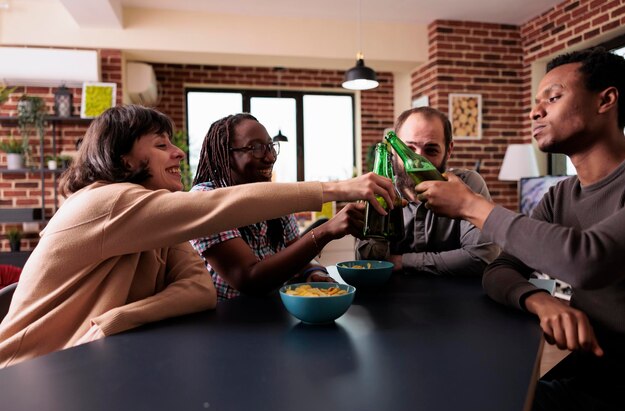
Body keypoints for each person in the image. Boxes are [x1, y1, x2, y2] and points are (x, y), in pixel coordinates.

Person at [0, 105, 397, 368]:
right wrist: (335, 189)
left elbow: (197, 290)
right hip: (29, 372)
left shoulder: (156, 219)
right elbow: (215, 209)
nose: (177, 154)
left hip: (89, 361)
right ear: (124, 159)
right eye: (161, 145)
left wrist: (116, 318)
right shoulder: (106, 203)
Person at [416, 48, 625, 411]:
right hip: (589, 380)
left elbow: (587, 259)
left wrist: (471, 206)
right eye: (536, 102)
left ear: (605, 100)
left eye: (554, 97)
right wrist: (537, 300)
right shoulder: (562, 195)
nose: (535, 112)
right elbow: (500, 269)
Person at [190, 113, 366, 301]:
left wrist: (313, 273)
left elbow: (295, 256)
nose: (270, 157)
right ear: (227, 155)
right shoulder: (204, 199)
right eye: (256, 148)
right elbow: (249, 279)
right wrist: (326, 231)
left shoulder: (274, 196)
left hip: (273, 315)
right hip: (224, 322)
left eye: (270, 146)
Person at [355, 107, 499, 277]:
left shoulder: (467, 184)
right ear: (394, 149)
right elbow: (367, 263)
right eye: (408, 149)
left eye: (431, 150)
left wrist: (401, 261)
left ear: (449, 150)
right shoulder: (378, 191)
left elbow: (483, 257)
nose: (417, 161)